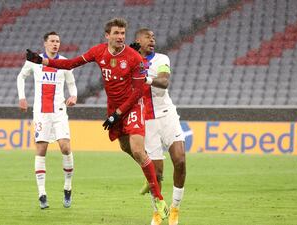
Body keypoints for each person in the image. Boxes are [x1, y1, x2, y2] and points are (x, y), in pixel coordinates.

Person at [25, 18, 169, 219]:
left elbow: (138, 92)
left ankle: (158, 197)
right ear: (107, 36)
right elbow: (71, 63)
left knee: (137, 149)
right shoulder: (98, 51)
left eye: (123, 34)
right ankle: (149, 170)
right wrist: (43, 61)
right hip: (114, 107)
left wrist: (118, 114)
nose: (120, 37)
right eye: (116, 33)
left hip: (133, 106)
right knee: (126, 148)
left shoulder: (134, 57)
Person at [132, 28, 186, 225]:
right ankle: (157, 213)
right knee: (157, 174)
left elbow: (164, 81)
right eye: (148, 37)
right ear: (138, 41)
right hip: (146, 122)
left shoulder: (161, 59)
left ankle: (175, 209)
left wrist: (144, 79)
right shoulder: (130, 62)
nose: (152, 40)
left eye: (154, 37)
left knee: (180, 160)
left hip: (167, 116)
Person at [17, 31, 77, 209]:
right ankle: (42, 193)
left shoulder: (65, 63)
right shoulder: (34, 61)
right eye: (52, 41)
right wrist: (22, 97)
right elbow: (21, 76)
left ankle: (67, 187)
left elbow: (72, 84)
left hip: (59, 112)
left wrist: (73, 96)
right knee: (41, 149)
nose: (55, 44)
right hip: (41, 112)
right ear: (45, 43)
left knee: (65, 147)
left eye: (57, 41)